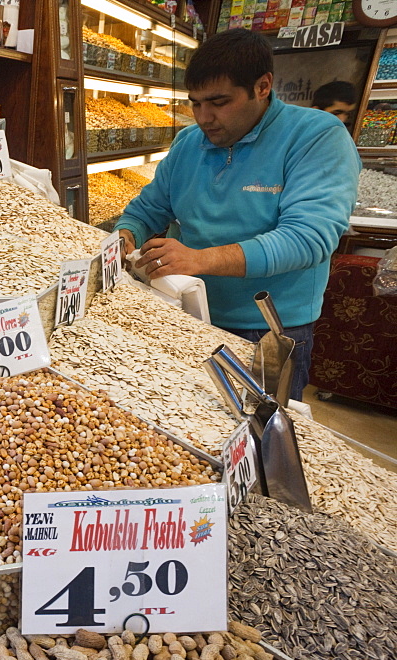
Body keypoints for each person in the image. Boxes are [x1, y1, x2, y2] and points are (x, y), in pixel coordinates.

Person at [117, 29, 359, 402]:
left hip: (268, 330)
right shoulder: (188, 143)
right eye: (195, 103)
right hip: (187, 310)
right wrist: (126, 234)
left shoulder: (316, 137)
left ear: (262, 87)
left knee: (256, 436)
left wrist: (199, 259)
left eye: (218, 102)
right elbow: (149, 208)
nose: (204, 117)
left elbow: (308, 238)